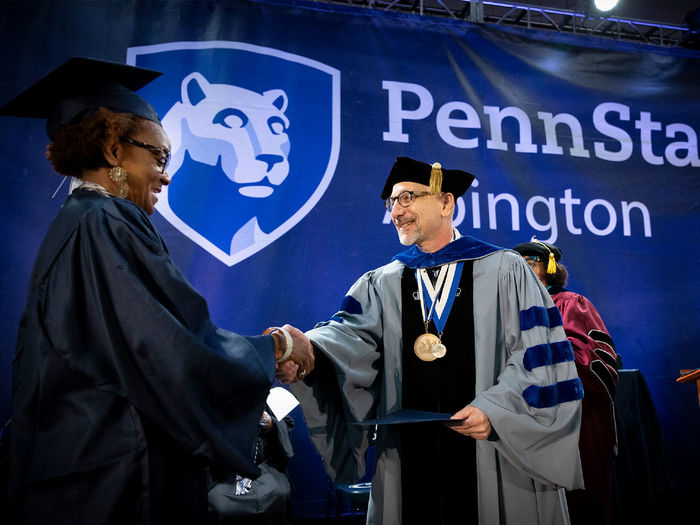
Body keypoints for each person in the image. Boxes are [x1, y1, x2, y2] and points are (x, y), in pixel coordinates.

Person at [0, 57, 314, 525]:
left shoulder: (80, 223)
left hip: (79, 467)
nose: (166, 174)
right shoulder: (105, 223)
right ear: (111, 148)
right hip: (113, 477)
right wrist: (278, 347)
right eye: (159, 156)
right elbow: (169, 349)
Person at [281, 157, 584, 525]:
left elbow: (538, 356)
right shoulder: (382, 281)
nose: (397, 210)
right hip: (408, 454)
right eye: (392, 202)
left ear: (446, 203)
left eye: (408, 197)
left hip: (489, 447)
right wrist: (309, 349)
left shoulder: (505, 269)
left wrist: (497, 411)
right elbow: (350, 336)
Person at [513, 238, 618, 525]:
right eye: (514, 267)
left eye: (528, 263)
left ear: (548, 268)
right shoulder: (508, 314)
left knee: (576, 508)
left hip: (572, 425)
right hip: (522, 427)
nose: (520, 271)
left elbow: (591, 361)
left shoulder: (570, 303)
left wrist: (533, 349)